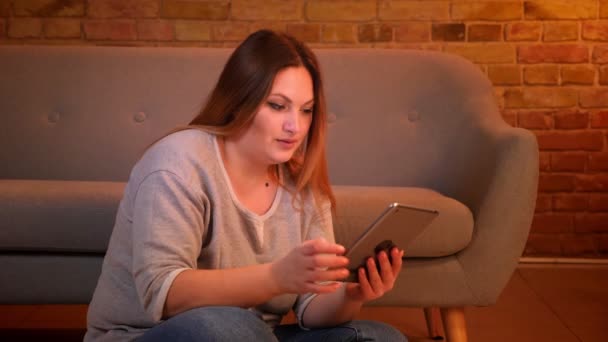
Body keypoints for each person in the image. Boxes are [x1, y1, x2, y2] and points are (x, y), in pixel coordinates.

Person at [85, 29, 407, 342]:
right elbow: (165, 293)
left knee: (380, 337)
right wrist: (276, 277)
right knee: (224, 327)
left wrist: (353, 294)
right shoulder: (178, 163)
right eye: (277, 106)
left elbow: (311, 309)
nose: (295, 126)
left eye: (306, 110)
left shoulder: (303, 184)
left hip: (255, 336)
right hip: (154, 334)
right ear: (240, 100)